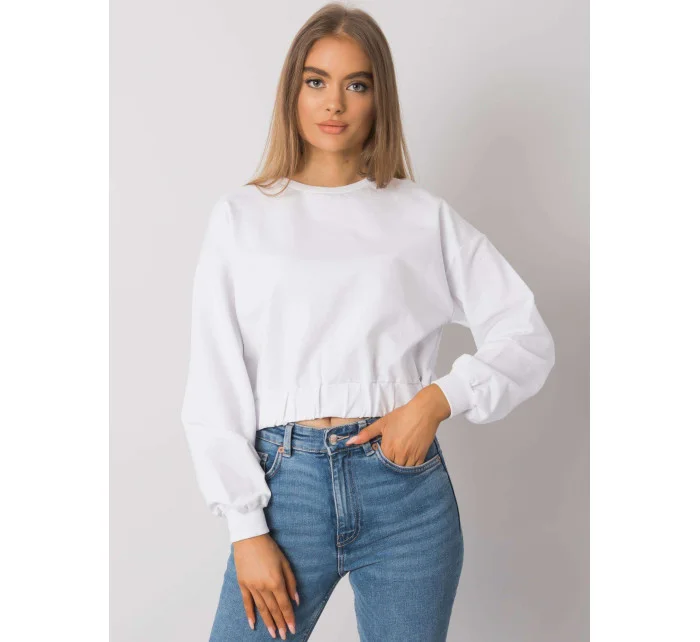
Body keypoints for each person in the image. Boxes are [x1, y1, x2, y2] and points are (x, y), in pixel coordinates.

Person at [180, 4, 555, 641]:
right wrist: (246, 528)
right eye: (316, 81)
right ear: (293, 91)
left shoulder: (421, 216)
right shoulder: (242, 217)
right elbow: (214, 380)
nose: (335, 103)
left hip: (405, 494)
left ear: (379, 98)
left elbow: (526, 336)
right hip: (286, 493)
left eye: (356, 84)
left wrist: (436, 400)